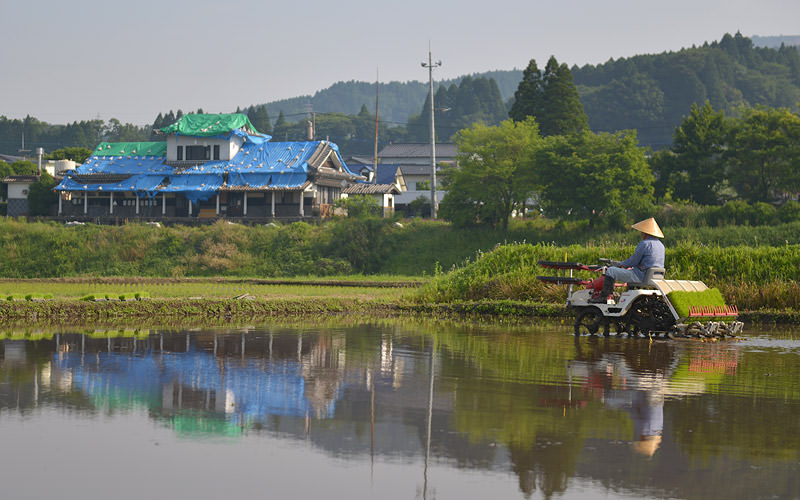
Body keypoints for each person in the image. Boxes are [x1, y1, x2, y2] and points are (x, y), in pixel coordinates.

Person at [589, 217, 665, 303]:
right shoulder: (661, 245)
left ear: (645, 233)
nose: (641, 234)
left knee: (611, 271)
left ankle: (603, 297)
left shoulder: (644, 244)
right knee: (630, 272)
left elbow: (633, 261)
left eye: (642, 232)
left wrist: (622, 264)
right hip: (654, 278)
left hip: (640, 276)